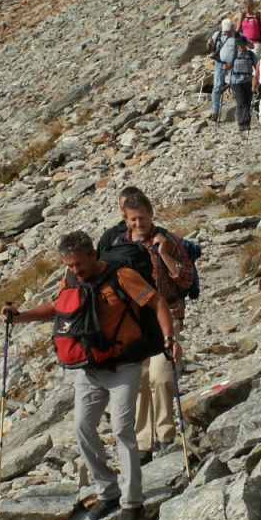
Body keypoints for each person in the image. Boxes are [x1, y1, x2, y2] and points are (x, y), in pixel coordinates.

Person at [0, 231, 177, 520]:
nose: (75, 270)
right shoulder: (70, 279)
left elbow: (157, 302)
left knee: (122, 429)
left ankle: (132, 502)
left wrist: (170, 338)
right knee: (82, 428)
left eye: (79, 264)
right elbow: (57, 308)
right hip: (90, 367)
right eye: (69, 265)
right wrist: (20, 317)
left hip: (124, 365)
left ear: (93, 254)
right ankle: (107, 490)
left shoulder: (122, 276)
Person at [106, 190, 193, 463]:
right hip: (135, 323)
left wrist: (163, 252)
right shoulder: (118, 245)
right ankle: (143, 443)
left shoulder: (169, 241)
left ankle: (166, 435)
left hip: (168, 316)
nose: (138, 223)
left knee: (162, 376)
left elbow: (186, 280)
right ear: (125, 218)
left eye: (142, 218)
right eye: (133, 219)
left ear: (151, 214)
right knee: (140, 380)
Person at [205, 18, 246, 123]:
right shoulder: (217, 34)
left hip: (233, 65)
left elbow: (244, 48)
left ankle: (241, 108)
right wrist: (209, 43)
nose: (226, 32)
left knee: (236, 85)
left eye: (228, 30)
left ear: (232, 27)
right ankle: (215, 112)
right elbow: (209, 49)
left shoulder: (238, 36)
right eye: (225, 30)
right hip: (220, 64)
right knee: (217, 87)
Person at [228, 40, 257, 133]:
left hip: (248, 80)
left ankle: (246, 122)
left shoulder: (251, 54)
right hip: (236, 81)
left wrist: (256, 79)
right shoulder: (233, 54)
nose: (242, 47)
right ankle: (241, 122)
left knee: (247, 101)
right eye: (240, 45)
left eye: (243, 45)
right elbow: (228, 65)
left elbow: (257, 66)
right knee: (241, 101)